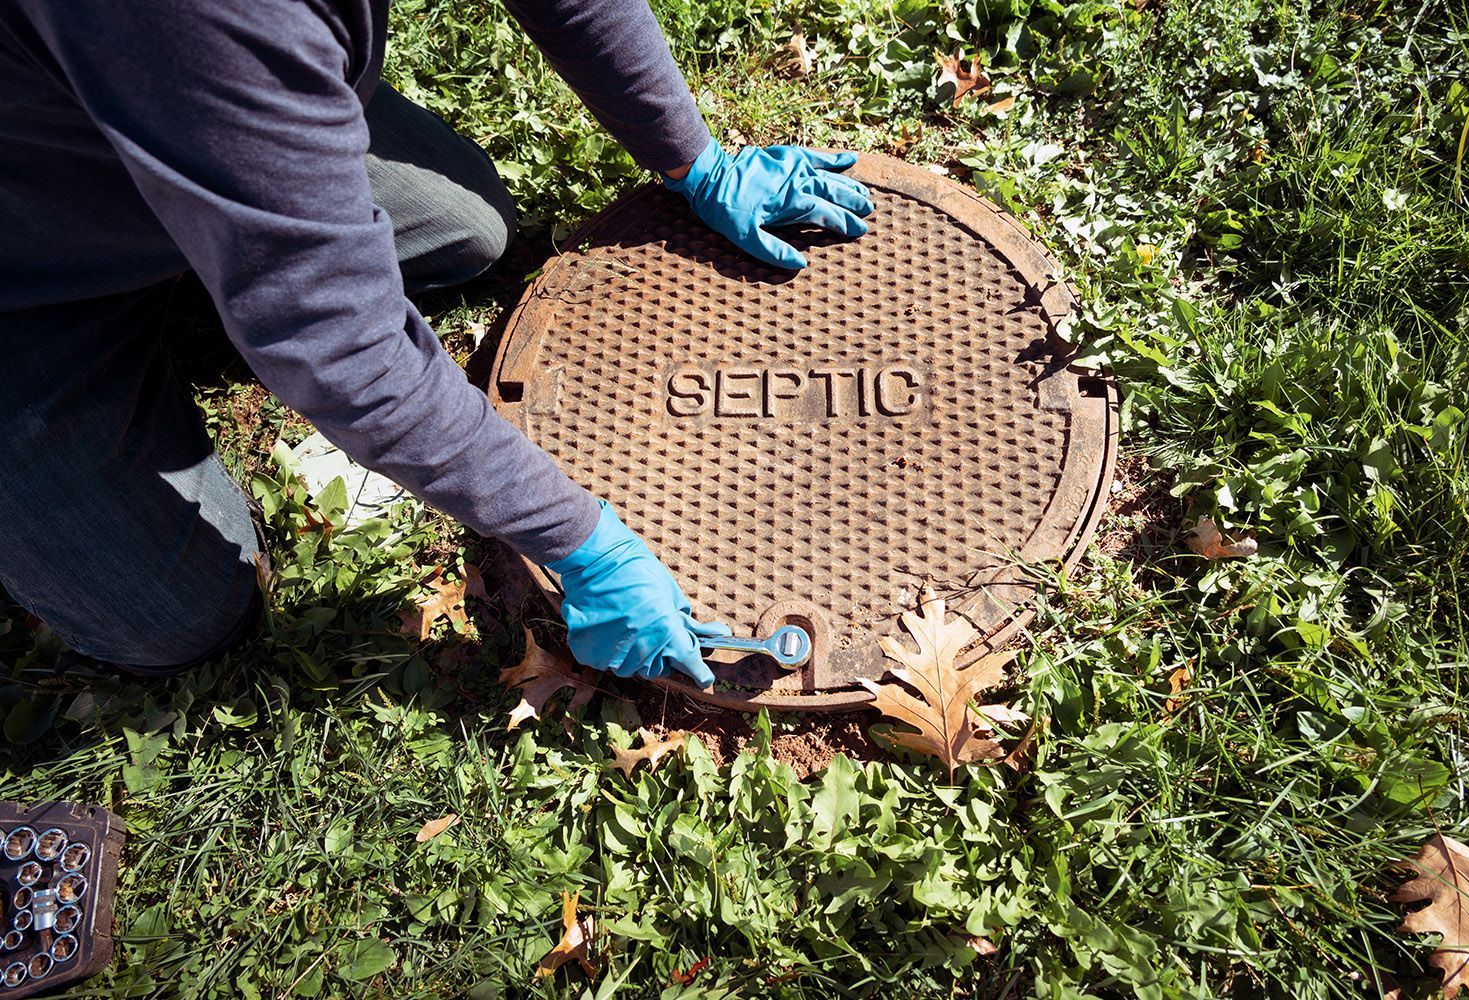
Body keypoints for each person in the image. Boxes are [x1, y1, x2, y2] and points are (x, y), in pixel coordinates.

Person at [0, 1, 873, 687]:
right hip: (31, 264)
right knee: (171, 617)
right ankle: (241, 208)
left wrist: (692, 158)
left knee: (469, 232)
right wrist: (580, 541)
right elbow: (343, 349)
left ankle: (249, 189)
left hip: (185, 94)